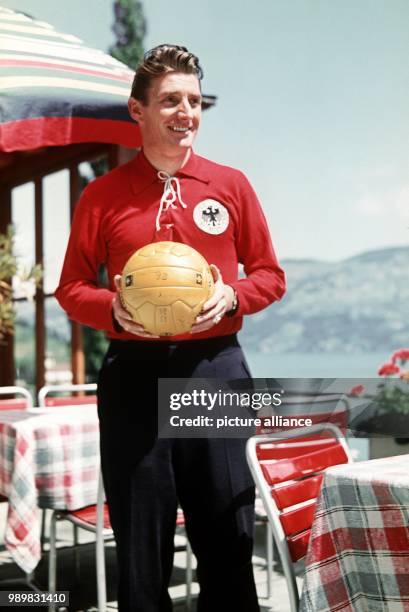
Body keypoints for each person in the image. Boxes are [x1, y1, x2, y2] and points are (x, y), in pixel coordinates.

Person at [56, 44, 286, 612]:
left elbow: (269, 275)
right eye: (170, 101)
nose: (186, 112)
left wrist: (233, 294)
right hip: (132, 377)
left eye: (193, 100)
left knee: (228, 536)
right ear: (138, 111)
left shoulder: (230, 185)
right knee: (140, 545)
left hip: (215, 369)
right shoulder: (102, 196)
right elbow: (71, 286)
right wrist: (112, 308)